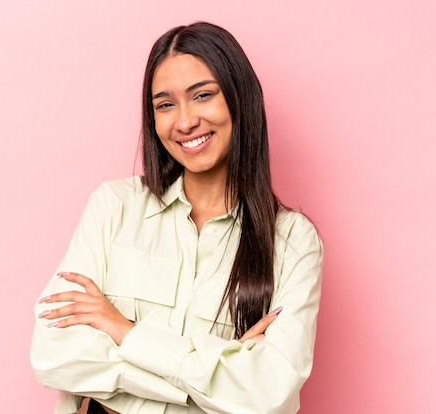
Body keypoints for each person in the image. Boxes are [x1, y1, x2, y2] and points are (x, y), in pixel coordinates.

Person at [30, 22, 323, 414]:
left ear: (240, 99)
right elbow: (52, 355)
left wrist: (124, 331)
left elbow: (268, 391)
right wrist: (217, 371)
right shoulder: (114, 206)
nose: (185, 122)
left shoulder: (292, 241)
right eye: (165, 104)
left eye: (202, 96)